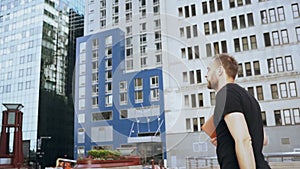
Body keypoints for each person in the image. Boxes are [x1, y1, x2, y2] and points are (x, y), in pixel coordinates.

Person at [205, 53, 271, 169]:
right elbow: (264, 139)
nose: (206, 75)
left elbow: (244, 140)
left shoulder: (225, 94)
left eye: (209, 70)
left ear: (220, 70)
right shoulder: (249, 97)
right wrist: (224, 141)